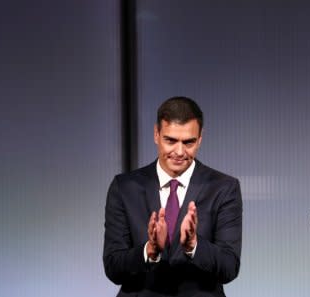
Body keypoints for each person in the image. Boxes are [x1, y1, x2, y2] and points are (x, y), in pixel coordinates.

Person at [103, 96, 242, 297]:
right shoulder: (125, 187)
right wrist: (149, 250)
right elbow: (113, 266)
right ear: (156, 134)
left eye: (188, 142)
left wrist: (194, 245)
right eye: (170, 140)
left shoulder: (223, 188)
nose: (179, 151)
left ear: (200, 139)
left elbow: (229, 267)